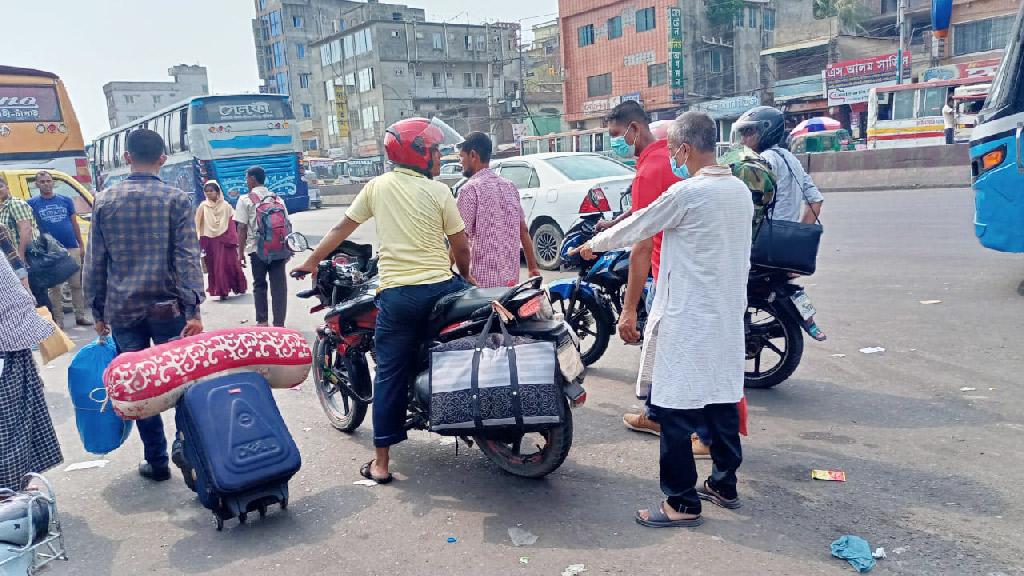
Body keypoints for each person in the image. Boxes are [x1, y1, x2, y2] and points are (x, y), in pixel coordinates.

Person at [571, 111, 752, 528]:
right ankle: (725, 484)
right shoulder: (739, 191)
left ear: (685, 149)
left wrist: (592, 246)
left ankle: (682, 504)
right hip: (726, 315)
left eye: (674, 150)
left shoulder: (688, 193)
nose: (672, 157)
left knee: (672, 410)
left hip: (689, 318)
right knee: (722, 399)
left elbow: (637, 226)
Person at [292, 117, 473, 484]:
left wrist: (311, 261)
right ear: (417, 153)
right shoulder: (440, 193)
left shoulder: (378, 187)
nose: (439, 157)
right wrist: (463, 277)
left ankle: (381, 464)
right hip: (444, 289)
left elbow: (343, 227)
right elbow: (460, 246)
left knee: (389, 373)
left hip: (400, 296)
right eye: (435, 151)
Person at [84, 128, 205, 482]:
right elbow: (187, 259)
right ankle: (188, 447)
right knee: (182, 381)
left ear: (126, 158)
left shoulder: (104, 200)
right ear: (163, 159)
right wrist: (194, 310)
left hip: (123, 312)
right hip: (169, 310)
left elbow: (95, 263)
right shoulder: (176, 199)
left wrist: (97, 311)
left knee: (140, 388)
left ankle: (156, 460)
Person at [733, 106, 827, 341]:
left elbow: (746, 203)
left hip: (761, 244)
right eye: (743, 133)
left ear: (766, 132)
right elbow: (815, 202)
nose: (744, 139)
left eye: (749, 133)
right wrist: (794, 239)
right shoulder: (791, 159)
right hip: (781, 248)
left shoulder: (761, 161)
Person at [0, 256, 63, 490]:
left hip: (10, 341)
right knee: (10, 427)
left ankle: (14, 492)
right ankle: (10, 495)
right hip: (8, 344)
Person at [455, 131, 541, 287]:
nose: (461, 162)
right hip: (511, 284)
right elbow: (523, 230)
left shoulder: (470, 189)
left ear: (473, 155)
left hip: (481, 287)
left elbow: (460, 239)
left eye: (462, 157)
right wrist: (532, 267)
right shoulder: (509, 186)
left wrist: (447, 269)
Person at [28, 170, 91, 327]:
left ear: (53, 183)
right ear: (37, 184)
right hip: (50, 252)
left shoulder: (66, 200)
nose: (46, 184)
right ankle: (59, 321)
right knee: (54, 288)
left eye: (48, 181)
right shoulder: (32, 204)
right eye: (42, 182)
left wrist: (81, 244)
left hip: (71, 246)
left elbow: (74, 223)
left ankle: (80, 316)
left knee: (76, 284)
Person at [234, 166, 290, 327]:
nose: (246, 181)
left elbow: (242, 227)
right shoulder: (277, 199)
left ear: (252, 179)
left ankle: (262, 320)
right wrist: (288, 250)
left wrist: (240, 252)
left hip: (256, 249)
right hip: (278, 248)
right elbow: (286, 224)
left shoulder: (245, 200)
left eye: (247, 178)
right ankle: (279, 323)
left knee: (259, 284)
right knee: (279, 286)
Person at [0, 175, 47, 309]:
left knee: (37, 293)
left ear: (7, 188)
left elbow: (26, 230)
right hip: (14, 258)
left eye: (1, 187)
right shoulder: (3, 208)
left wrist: (20, 256)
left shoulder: (15, 204)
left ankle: (50, 325)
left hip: (27, 257)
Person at [195, 181, 247, 300]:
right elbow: (198, 225)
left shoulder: (226, 206)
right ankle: (222, 291)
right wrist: (200, 242)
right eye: (206, 191)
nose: (208, 194)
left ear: (217, 192)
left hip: (225, 240)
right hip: (210, 242)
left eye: (211, 191)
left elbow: (231, 223)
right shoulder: (203, 206)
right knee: (215, 266)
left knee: (229, 264)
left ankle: (235, 287)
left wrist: (232, 239)